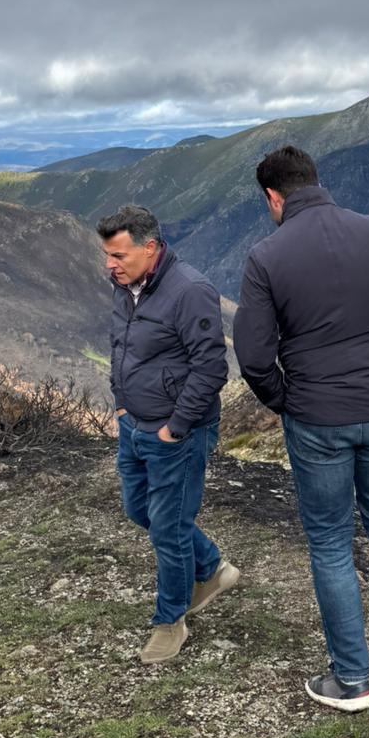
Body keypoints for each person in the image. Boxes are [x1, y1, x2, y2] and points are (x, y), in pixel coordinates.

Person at [233, 147, 369, 711]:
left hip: (317, 416)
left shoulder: (266, 256)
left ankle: (352, 681)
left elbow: (251, 356)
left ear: (273, 197)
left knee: (329, 540)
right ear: (316, 182)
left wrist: (286, 402)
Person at [98, 205, 237, 663]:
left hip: (174, 434)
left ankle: (170, 621)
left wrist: (175, 429)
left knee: (169, 528)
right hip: (132, 424)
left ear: (151, 247)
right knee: (139, 509)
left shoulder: (190, 291)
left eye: (119, 255)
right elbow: (123, 347)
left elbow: (211, 367)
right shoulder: (126, 288)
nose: (110, 264)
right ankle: (212, 567)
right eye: (107, 255)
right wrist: (121, 401)